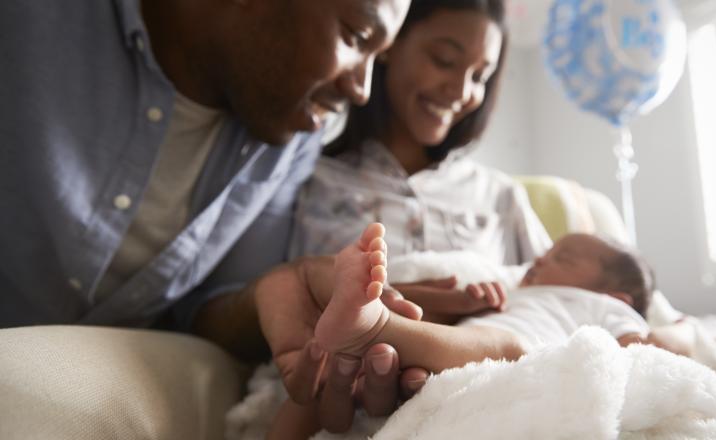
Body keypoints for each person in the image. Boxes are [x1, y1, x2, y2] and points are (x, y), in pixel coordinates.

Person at [0, 0, 426, 432]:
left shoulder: (291, 136)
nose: (362, 90)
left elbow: (205, 308)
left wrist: (268, 293)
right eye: (355, 38)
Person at [289, 0, 553, 320]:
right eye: (445, 60)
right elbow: (270, 305)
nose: (460, 90)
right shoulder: (310, 182)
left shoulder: (500, 196)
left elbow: (562, 298)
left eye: (480, 76)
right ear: (388, 43)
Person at [267, 225, 657, 439]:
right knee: (326, 372)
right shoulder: (516, 291)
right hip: (436, 366)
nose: (540, 258)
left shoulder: (605, 308)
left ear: (617, 298)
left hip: (512, 367)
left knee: (512, 345)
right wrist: (474, 301)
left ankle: (373, 325)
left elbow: (637, 354)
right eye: (547, 251)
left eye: (563, 258)